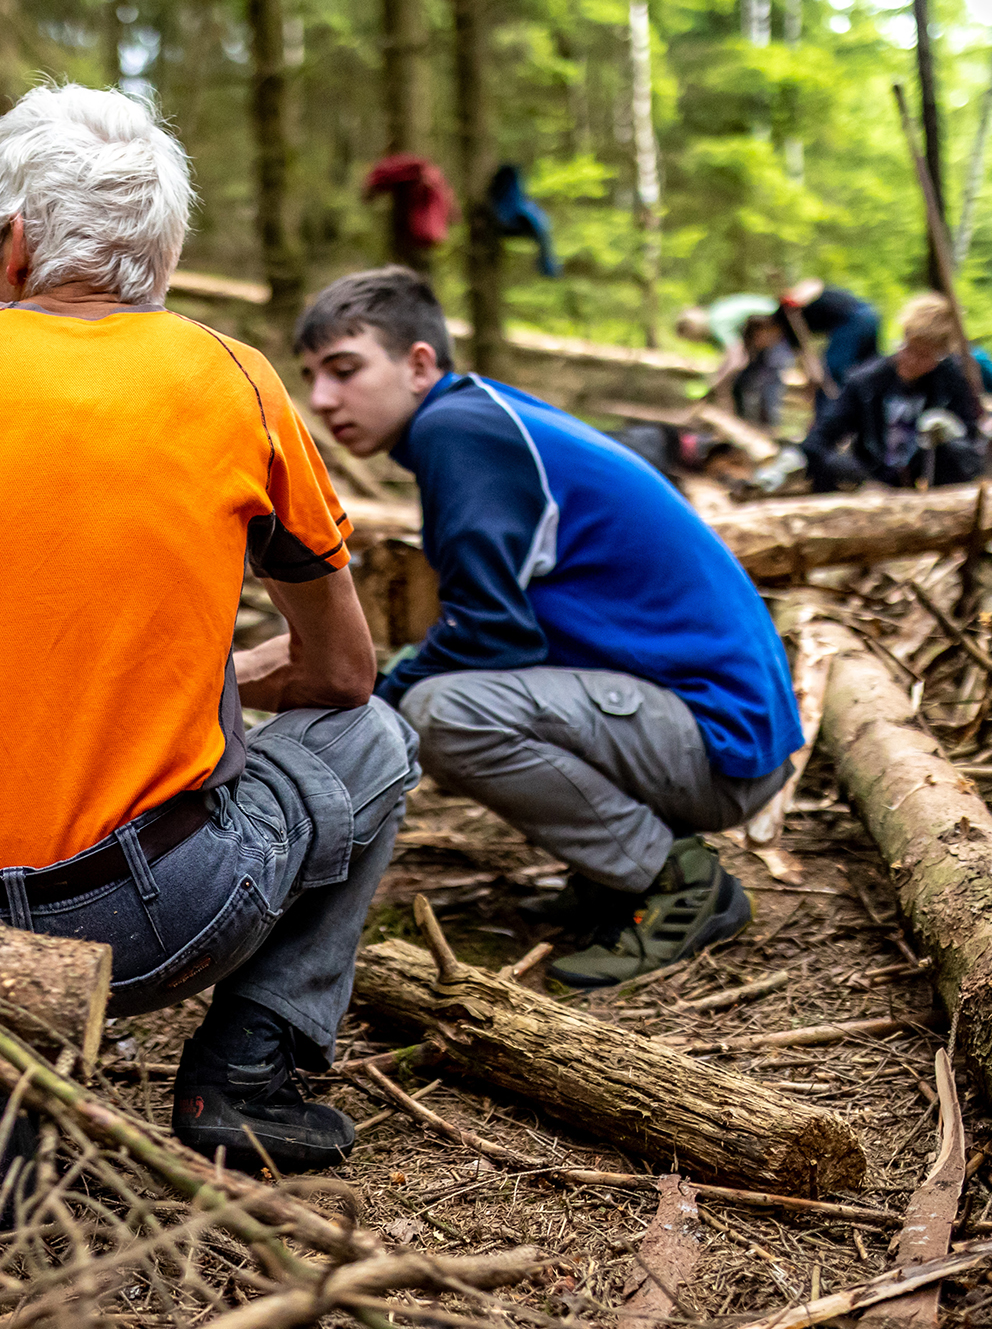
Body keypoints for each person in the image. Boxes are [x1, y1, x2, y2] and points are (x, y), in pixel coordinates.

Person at [0, 85, 418, 1175]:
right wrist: (200, 669)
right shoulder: (236, 380)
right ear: (161, 254)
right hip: (149, 913)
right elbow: (345, 673)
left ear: (12, 243)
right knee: (375, 743)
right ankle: (248, 1071)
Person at [296, 267, 802, 989]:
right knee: (446, 696)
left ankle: (680, 884)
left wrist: (379, 691)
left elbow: (491, 633)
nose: (322, 399)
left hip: (718, 739)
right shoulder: (482, 418)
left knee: (443, 710)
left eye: (344, 371)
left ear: (418, 364)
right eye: (312, 377)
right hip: (708, 725)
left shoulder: (456, 429)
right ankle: (613, 877)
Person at [800, 293, 986, 492]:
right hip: (874, 484)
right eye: (908, 348)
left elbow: (971, 451)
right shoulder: (865, 381)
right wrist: (862, 481)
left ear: (942, 354)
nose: (911, 360)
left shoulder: (953, 381)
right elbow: (817, 443)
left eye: (924, 355)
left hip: (932, 490)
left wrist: (949, 435)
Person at [675, 294, 792, 431]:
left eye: (691, 338)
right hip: (770, 328)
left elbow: (737, 360)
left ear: (691, 327)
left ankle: (767, 433)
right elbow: (732, 358)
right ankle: (748, 429)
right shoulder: (717, 312)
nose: (696, 341)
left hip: (778, 325)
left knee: (763, 386)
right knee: (743, 384)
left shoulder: (716, 322)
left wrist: (715, 382)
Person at [777, 279, 880, 421]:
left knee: (836, 373)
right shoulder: (791, 328)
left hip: (854, 319)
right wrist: (812, 381)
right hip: (867, 316)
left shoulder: (787, 312)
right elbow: (807, 362)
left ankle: (829, 424)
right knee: (861, 372)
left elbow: (814, 284)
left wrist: (797, 298)